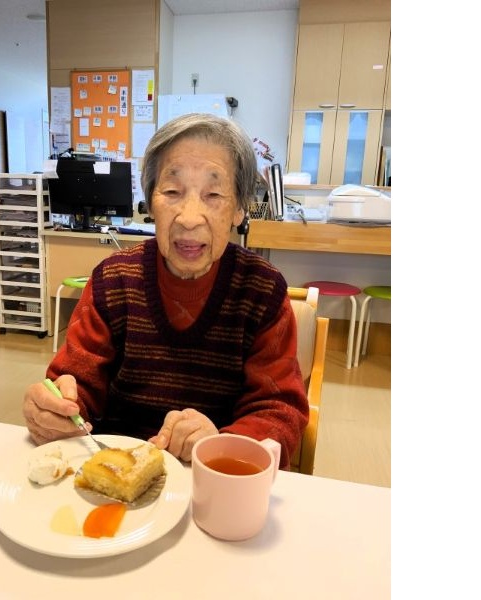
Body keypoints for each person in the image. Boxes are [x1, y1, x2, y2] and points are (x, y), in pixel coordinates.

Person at [23, 113, 308, 469]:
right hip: (117, 471)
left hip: (214, 477)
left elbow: (280, 412)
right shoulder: (114, 279)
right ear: (151, 203)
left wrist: (220, 444)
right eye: (172, 192)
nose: (189, 218)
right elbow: (76, 383)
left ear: (239, 209)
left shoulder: (262, 290)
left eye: (213, 194)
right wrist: (56, 407)